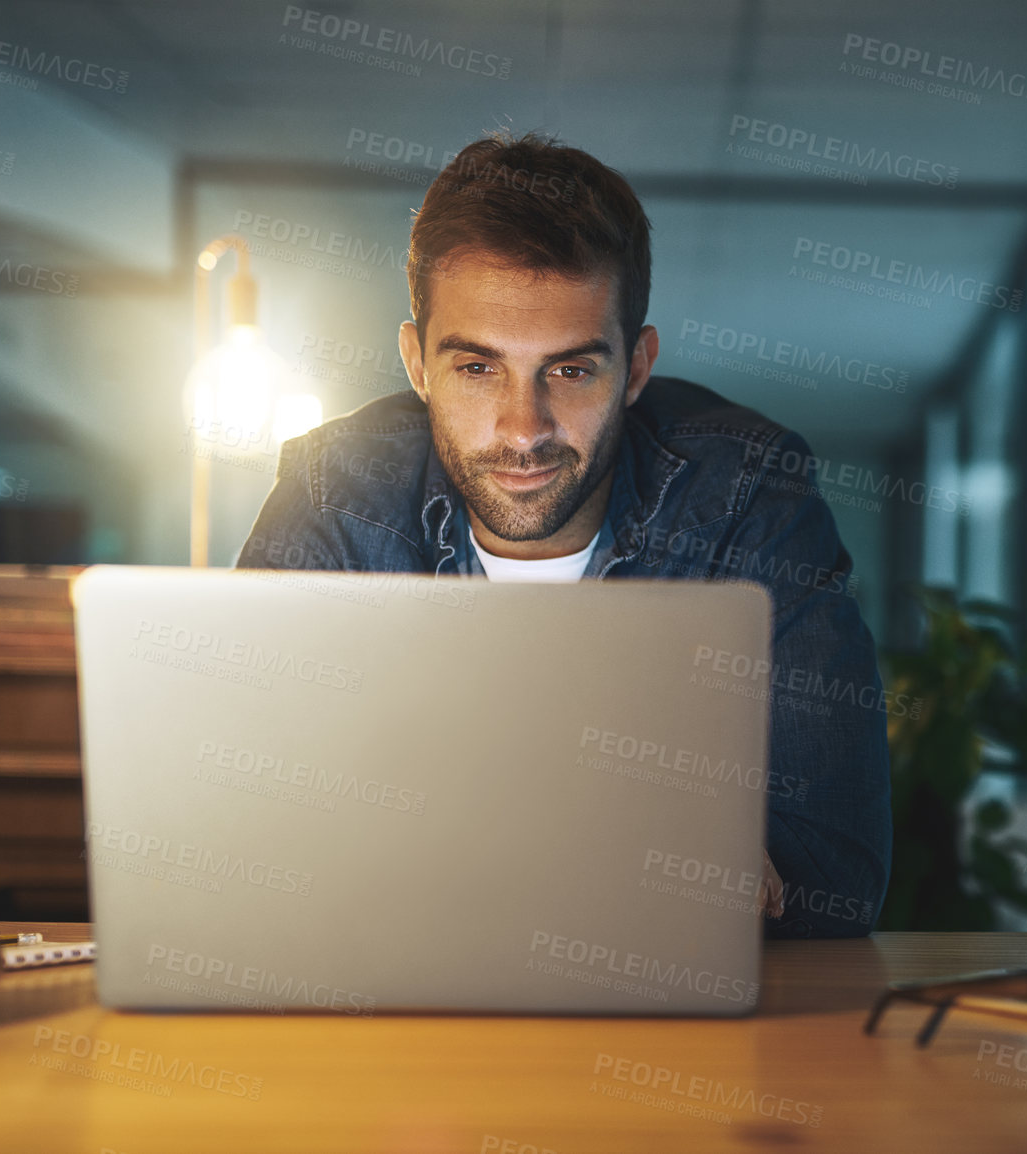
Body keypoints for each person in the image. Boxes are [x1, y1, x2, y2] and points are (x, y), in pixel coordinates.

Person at [239, 131, 891, 938]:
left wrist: (425, 840)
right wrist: (654, 850)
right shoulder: (333, 487)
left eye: (571, 370)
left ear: (637, 370)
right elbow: (242, 829)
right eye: (478, 368)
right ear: (416, 364)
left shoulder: (748, 492)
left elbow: (833, 873)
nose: (524, 429)